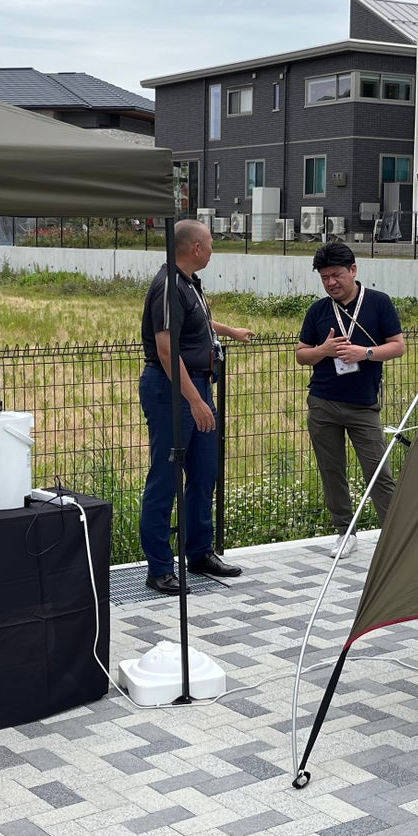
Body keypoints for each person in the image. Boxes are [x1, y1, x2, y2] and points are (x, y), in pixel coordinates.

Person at [138, 219, 252, 594]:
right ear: (196, 249)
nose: (213, 248)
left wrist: (229, 332)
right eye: (211, 242)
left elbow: (196, 321)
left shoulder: (187, 283)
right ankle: (159, 567)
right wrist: (195, 400)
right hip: (174, 390)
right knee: (166, 478)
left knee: (204, 473)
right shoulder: (169, 285)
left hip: (196, 386)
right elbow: (168, 349)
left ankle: (199, 552)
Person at [295, 241, 405, 535]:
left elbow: (398, 347)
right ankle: (345, 533)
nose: (331, 283)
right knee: (332, 472)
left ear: (353, 270)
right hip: (323, 403)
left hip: (363, 405)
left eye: (336, 275)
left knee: (378, 472)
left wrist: (364, 353)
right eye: (324, 277)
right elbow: (301, 355)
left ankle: (395, 537)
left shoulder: (379, 303)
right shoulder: (317, 310)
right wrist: (324, 350)